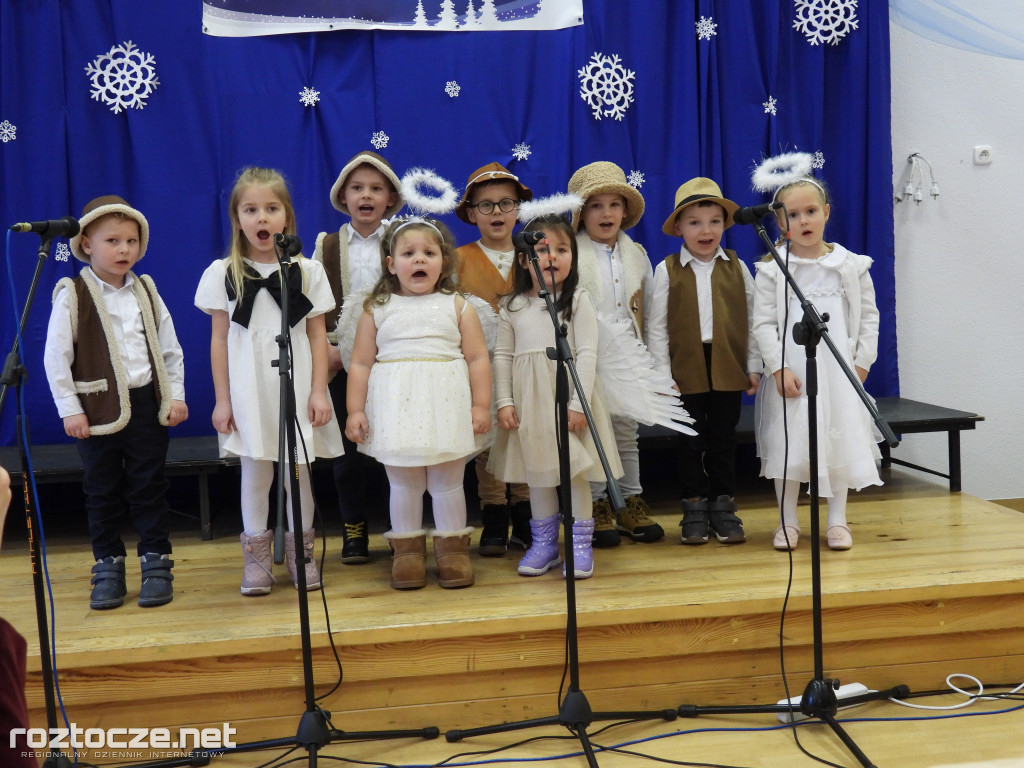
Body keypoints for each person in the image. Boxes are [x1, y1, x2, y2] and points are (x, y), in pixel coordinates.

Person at [195, 166, 344, 594]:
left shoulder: (308, 271)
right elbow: (219, 341)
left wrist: (319, 391)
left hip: (296, 385)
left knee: (299, 472)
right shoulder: (223, 272)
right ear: (237, 218)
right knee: (255, 472)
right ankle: (257, 560)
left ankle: (302, 554)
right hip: (248, 387)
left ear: (287, 217)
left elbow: (318, 336)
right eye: (251, 209)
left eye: (271, 208)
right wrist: (223, 400)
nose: (262, 218)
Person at [43, 196, 187, 610]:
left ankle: (155, 562)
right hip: (96, 411)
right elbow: (57, 356)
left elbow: (169, 348)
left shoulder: (147, 290)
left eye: (131, 241)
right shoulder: (73, 294)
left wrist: (174, 396)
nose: (124, 249)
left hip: (146, 406)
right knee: (102, 490)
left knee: (149, 486)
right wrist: (69, 407)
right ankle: (107, 565)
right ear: (87, 244)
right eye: (112, 241)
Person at [346, 217, 491, 590]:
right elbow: (360, 363)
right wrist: (355, 410)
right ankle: (407, 553)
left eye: (428, 253)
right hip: (397, 408)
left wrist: (480, 406)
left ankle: (452, 552)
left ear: (443, 261)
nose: (419, 260)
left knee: (447, 482)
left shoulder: (458, 306)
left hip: (447, 405)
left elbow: (477, 358)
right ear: (391, 264)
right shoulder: (376, 309)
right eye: (408, 253)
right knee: (404, 483)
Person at [488, 213, 623, 580]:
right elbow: (502, 356)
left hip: (569, 400)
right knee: (539, 476)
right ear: (523, 260)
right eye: (542, 249)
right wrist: (505, 402)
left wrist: (578, 405)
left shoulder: (576, 300)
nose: (552, 257)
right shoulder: (512, 306)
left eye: (562, 249)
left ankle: (579, 545)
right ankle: (544, 543)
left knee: (574, 474)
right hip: (530, 404)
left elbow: (589, 354)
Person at [752, 174, 882, 551]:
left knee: (837, 440)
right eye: (793, 215)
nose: (804, 221)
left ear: (826, 213)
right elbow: (763, 324)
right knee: (790, 444)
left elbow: (869, 318)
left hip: (839, 372)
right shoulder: (773, 270)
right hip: (794, 373)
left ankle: (837, 520)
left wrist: (862, 364)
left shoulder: (851, 266)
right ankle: (787, 520)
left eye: (811, 211)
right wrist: (778, 367)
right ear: (780, 223)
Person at [646, 178, 761, 546]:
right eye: (695, 222)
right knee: (690, 440)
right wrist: (663, 376)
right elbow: (656, 326)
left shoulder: (737, 267)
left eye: (714, 221)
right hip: (686, 366)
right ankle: (694, 505)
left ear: (725, 225)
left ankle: (723, 505)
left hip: (727, 362)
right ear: (679, 228)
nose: (705, 230)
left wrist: (754, 365)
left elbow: (754, 318)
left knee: (724, 439)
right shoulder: (666, 269)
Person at [313, 151, 405, 565]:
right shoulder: (326, 246)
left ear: (389, 198)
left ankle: (400, 528)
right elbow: (313, 307)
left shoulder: (404, 238)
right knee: (349, 456)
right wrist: (327, 349)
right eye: (357, 188)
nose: (366, 195)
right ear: (344, 197)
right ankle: (354, 527)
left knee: (397, 449)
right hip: (342, 361)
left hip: (396, 359)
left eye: (375, 188)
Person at [567, 161, 660, 547]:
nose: (606, 214)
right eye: (595, 206)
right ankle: (599, 502)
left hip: (627, 357)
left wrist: (652, 358)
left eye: (614, 205)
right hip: (590, 356)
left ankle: (630, 499)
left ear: (625, 211)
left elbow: (651, 308)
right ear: (581, 214)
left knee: (625, 431)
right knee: (593, 431)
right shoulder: (570, 252)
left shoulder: (635, 253)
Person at [454, 162, 534, 556]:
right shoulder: (456, 260)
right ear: (471, 214)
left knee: (522, 433)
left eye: (506, 203)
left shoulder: (533, 254)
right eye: (486, 206)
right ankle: (494, 514)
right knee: (487, 441)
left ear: (519, 208)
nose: (497, 213)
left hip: (526, 363)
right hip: (480, 367)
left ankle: (524, 511)